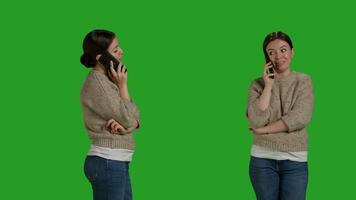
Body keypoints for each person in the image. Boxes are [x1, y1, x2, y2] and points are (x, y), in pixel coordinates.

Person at [246, 31, 314, 200]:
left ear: (292, 51)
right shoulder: (257, 84)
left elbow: (300, 118)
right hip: (262, 160)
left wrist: (263, 131)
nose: (278, 56)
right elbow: (256, 119)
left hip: (294, 159)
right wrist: (268, 86)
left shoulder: (303, 81)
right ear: (266, 58)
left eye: (283, 50)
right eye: (271, 52)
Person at [80, 29, 140, 200]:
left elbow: (135, 118)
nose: (121, 52)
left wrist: (127, 127)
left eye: (119, 47)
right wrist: (123, 86)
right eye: (115, 50)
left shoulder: (108, 80)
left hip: (116, 161)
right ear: (101, 58)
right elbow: (129, 118)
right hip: (107, 161)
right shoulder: (98, 84)